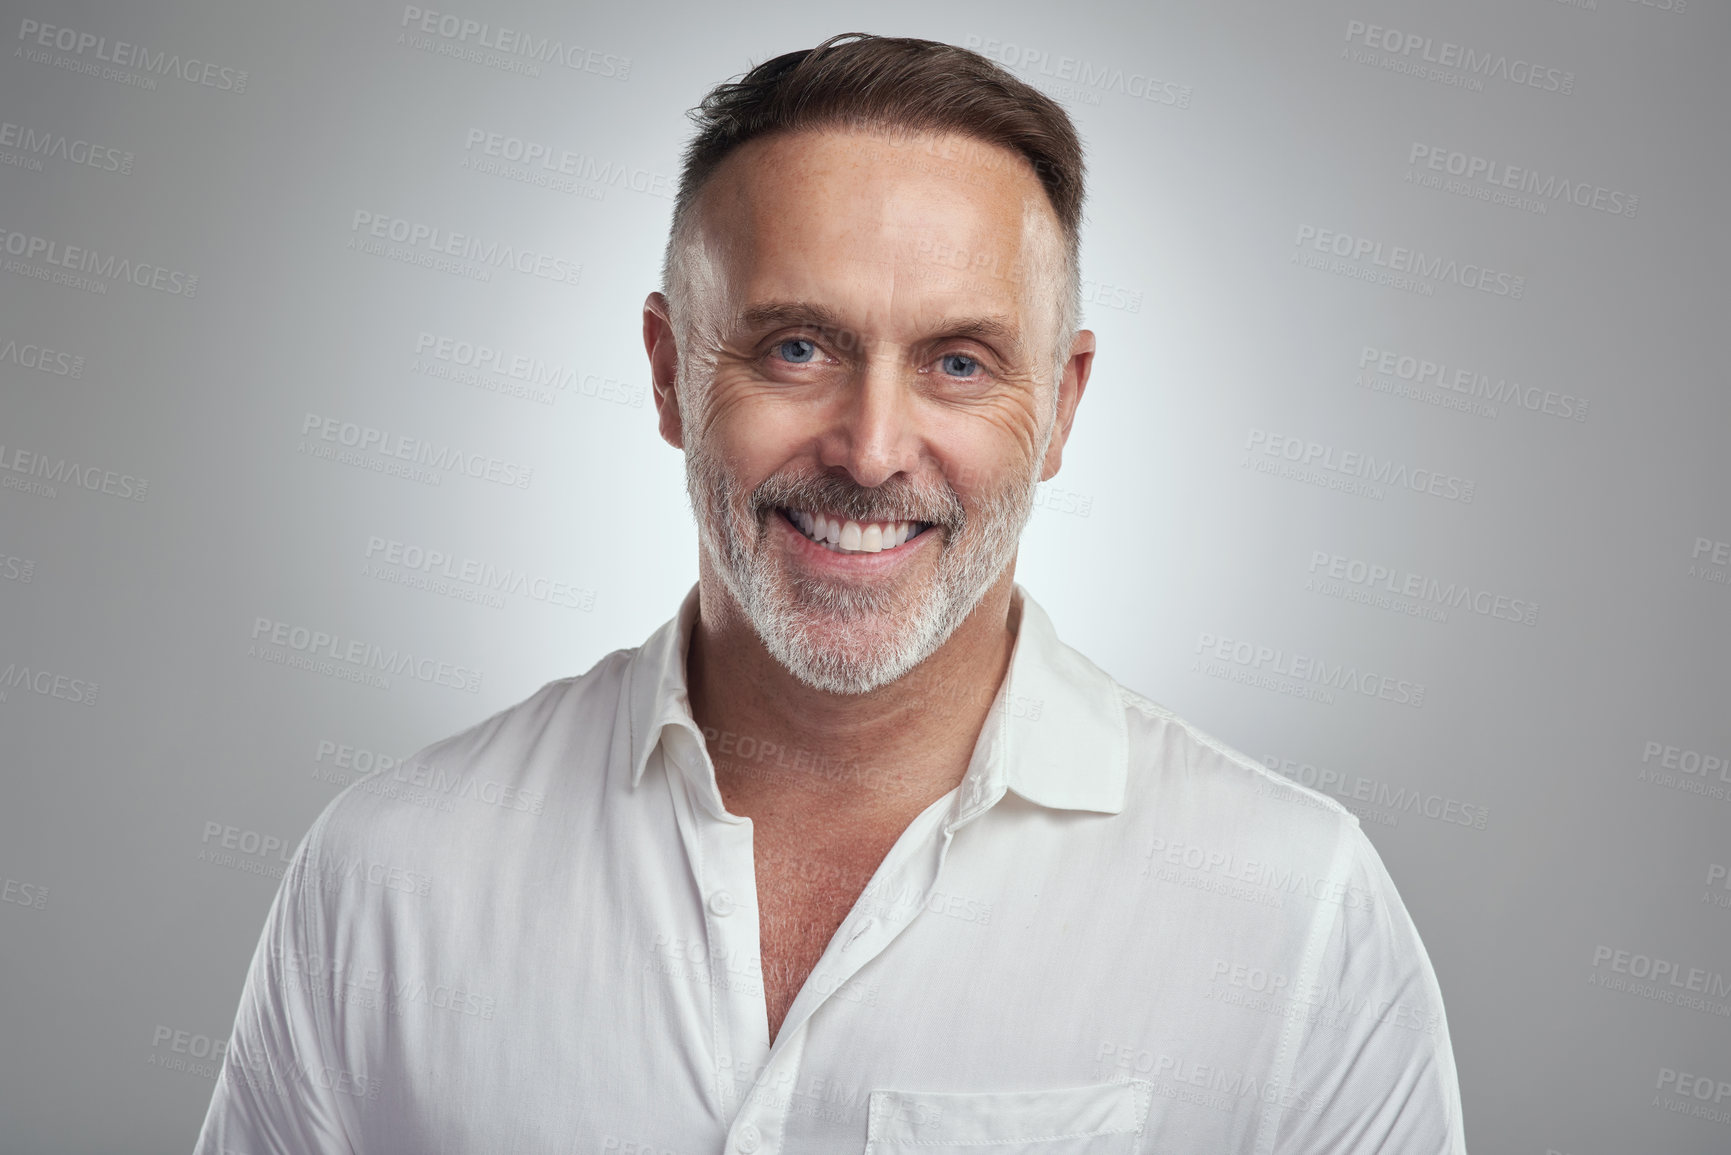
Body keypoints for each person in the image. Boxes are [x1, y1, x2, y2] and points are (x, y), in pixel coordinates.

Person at [196, 32, 1466, 1154]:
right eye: (797, 347)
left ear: (1064, 406)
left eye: (960, 363)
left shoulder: (1295, 913)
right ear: (666, 372)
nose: (869, 449)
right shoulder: (386, 878)